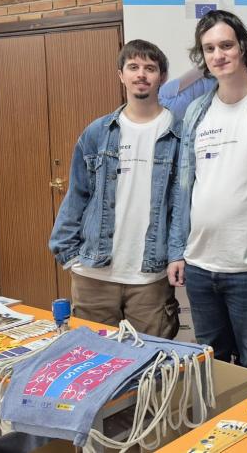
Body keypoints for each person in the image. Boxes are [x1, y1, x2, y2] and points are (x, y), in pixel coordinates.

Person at [167, 10, 247, 384]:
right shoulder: (195, 112)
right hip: (201, 266)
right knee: (210, 364)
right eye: (209, 48)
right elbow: (183, 188)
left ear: (243, 48)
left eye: (226, 45)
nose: (218, 55)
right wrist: (177, 250)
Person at [49, 39, 180, 338]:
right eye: (133, 67)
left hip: (149, 277)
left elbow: (183, 206)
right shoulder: (98, 132)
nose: (141, 74)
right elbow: (79, 194)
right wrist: (69, 253)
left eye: (150, 68)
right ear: (121, 75)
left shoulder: (178, 133)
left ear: (162, 76)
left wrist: (175, 254)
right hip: (93, 274)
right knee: (91, 360)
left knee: (152, 364)